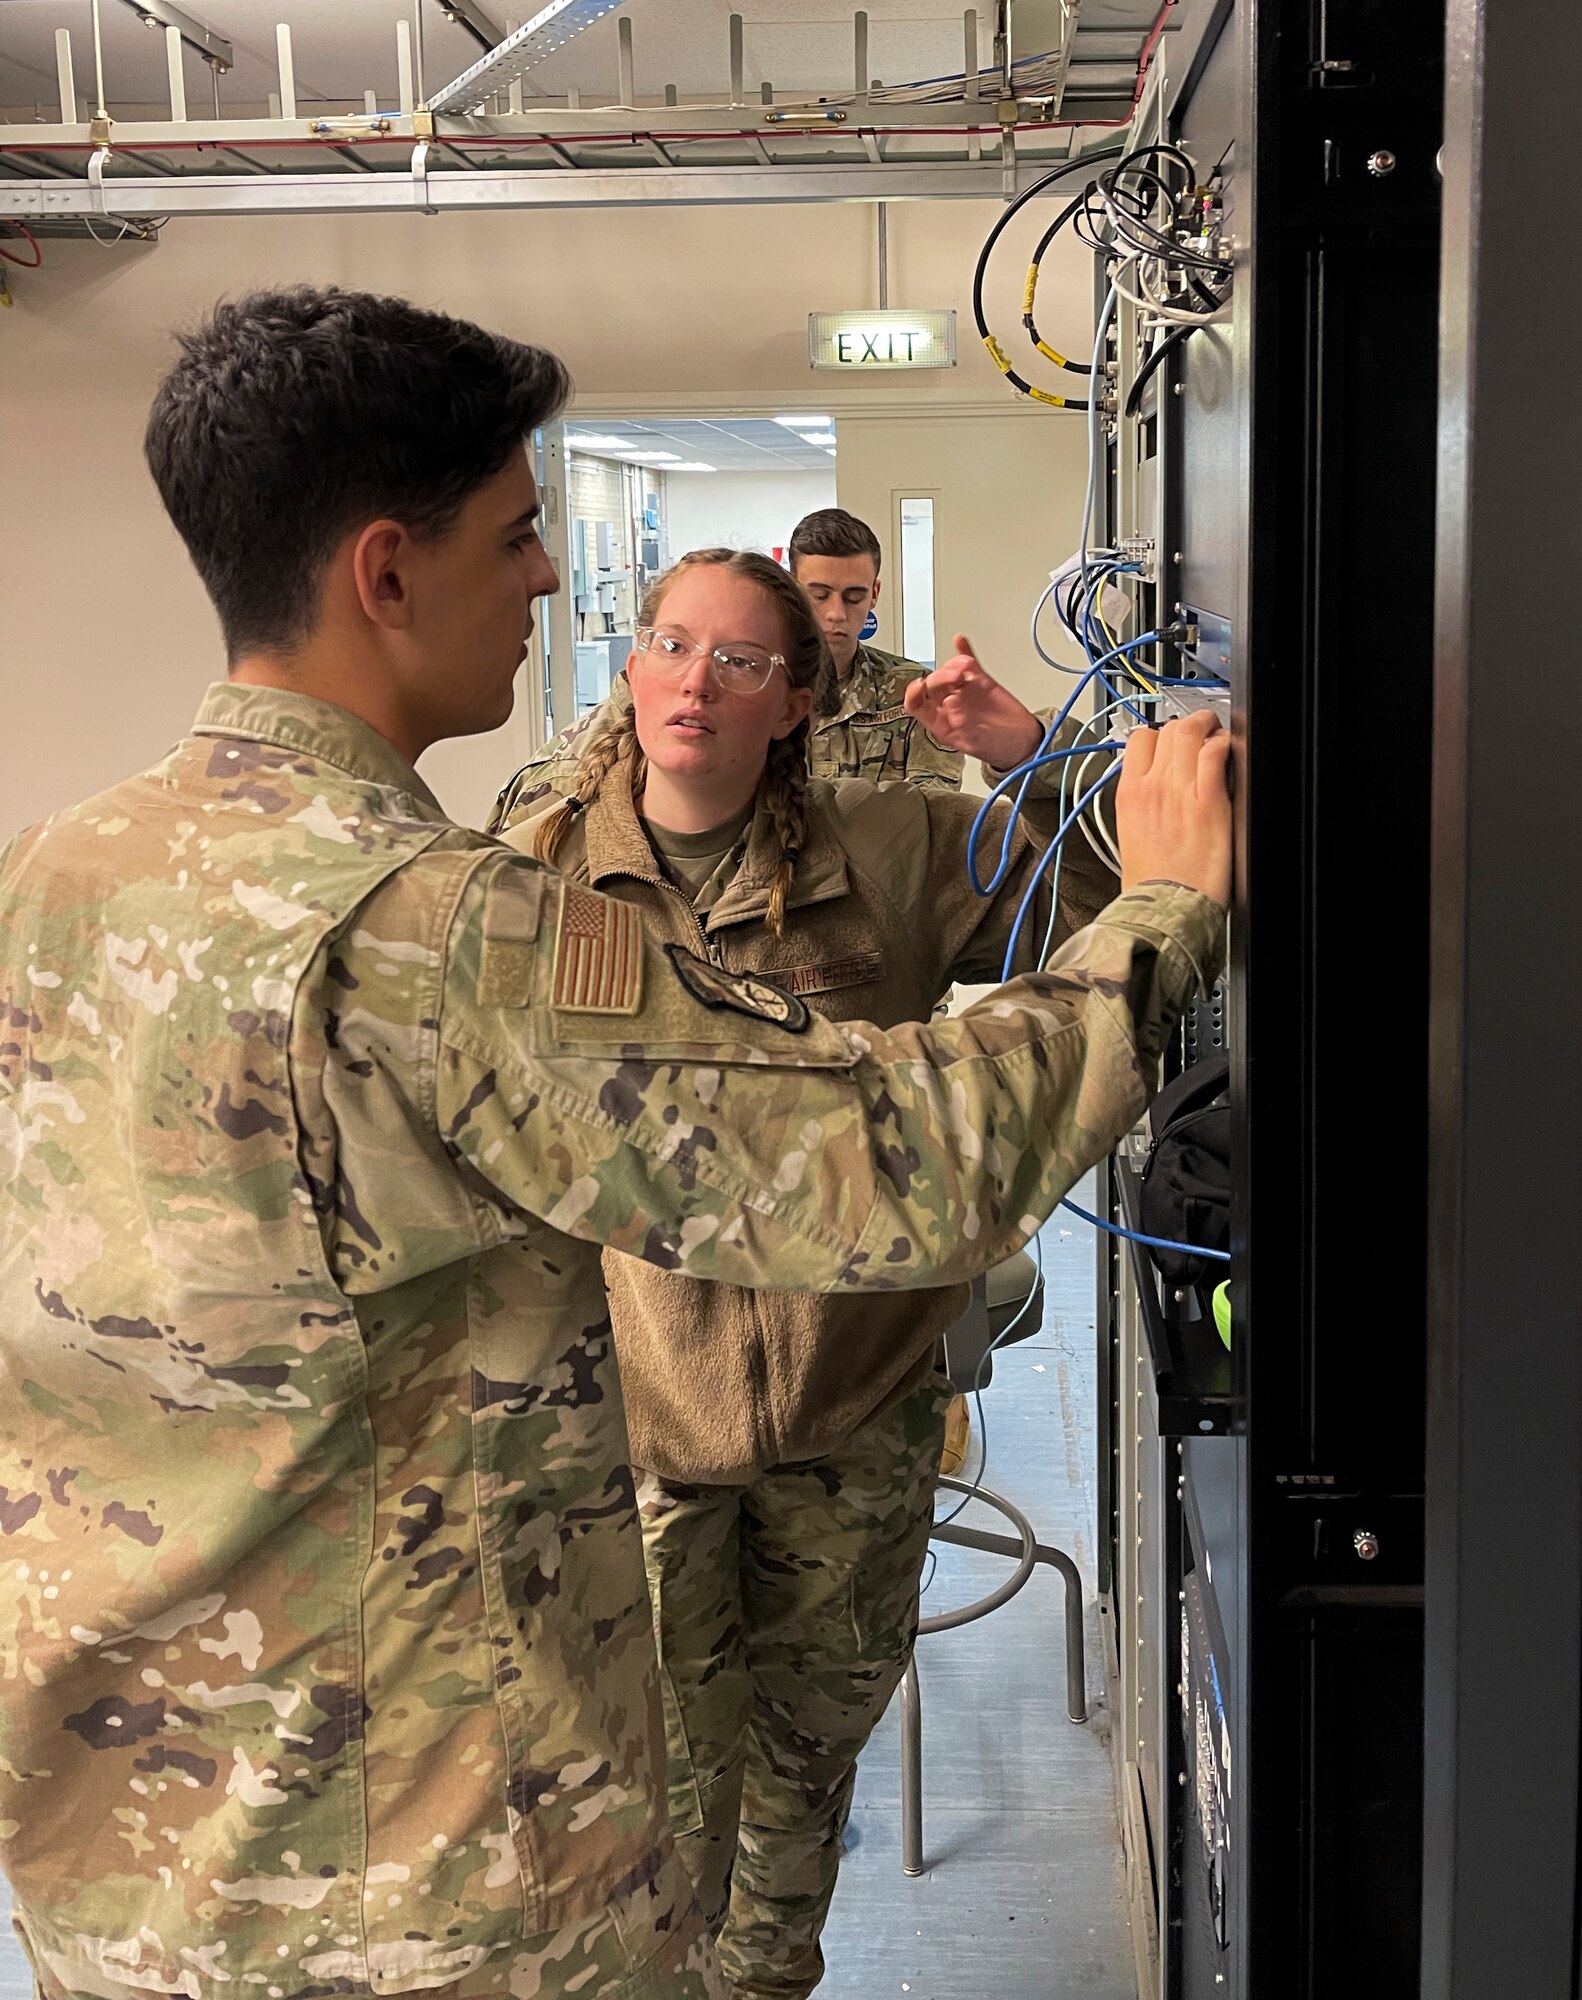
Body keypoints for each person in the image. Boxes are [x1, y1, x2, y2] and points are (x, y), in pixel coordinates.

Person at [0, 286, 1233, 2000]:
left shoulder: (41, 881)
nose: (540, 586)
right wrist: (1165, 906)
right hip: (429, 1879)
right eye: (517, 539)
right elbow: (892, 1163)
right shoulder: (455, 930)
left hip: (126, 1862)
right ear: (382, 571)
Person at [490, 551, 1119, 2000]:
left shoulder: (888, 844)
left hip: (852, 1408)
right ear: (629, 671)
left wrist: (1033, 759)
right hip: (632, 1423)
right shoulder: (528, 871)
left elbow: (1114, 901)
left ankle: (770, 1981)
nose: (695, 680)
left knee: (803, 1763)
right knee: (652, 1793)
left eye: (740, 661)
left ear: (797, 705)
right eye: (667, 645)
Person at [788, 507, 965, 792]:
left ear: (874, 594)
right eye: (819, 595)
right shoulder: (761, 686)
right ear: (793, 590)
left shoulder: (913, 693)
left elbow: (932, 812)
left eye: (853, 597)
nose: (836, 613)